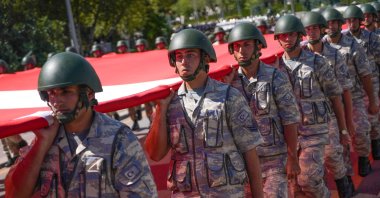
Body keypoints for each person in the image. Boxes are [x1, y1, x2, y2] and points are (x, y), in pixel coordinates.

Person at [5, 52, 158, 197]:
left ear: (89, 94)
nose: (57, 101)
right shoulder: (45, 139)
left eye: (65, 92)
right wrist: (41, 144)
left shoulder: (119, 139)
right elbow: (14, 194)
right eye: (51, 93)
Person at [145, 29, 264, 197]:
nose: (184, 61)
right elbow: (155, 155)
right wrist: (160, 112)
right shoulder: (168, 103)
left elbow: (249, 151)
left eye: (191, 55)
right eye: (179, 56)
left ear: (205, 58)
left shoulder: (229, 97)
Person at [225, 22, 301, 197]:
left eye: (246, 45)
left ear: (258, 47)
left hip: (274, 159)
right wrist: (225, 88)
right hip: (241, 162)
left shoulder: (276, 77)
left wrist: (292, 158)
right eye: (236, 46)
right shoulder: (228, 82)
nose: (241, 51)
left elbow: (289, 120)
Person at [275, 15, 343, 197]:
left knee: (308, 179)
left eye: (291, 35)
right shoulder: (274, 69)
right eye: (283, 36)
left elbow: (335, 95)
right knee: (294, 188)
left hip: (316, 131)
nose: (287, 39)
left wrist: (343, 129)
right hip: (289, 135)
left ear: (299, 36)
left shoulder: (317, 62)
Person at [322, 8, 378, 192]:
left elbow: (365, 74)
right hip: (331, 103)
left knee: (361, 130)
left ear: (339, 24)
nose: (330, 27)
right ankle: (346, 180)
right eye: (327, 24)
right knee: (339, 143)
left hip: (354, 96)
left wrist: (372, 99)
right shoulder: (319, 46)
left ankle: (363, 156)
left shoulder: (353, 45)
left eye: (334, 23)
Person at [301, 11, 354, 197]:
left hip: (329, 114)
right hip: (307, 120)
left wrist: (346, 126)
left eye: (315, 28)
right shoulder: (300, 55)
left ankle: (345, 187)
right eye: (308, 29)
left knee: (334, 155)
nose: (311, 32)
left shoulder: (335, 55)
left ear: (322, 29)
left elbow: (343, 91)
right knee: (315, 165)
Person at [343, 5, 380, 164]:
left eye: (354, 20)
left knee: (373, 117)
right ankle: (366, 152)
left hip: (372, 81)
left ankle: (376, 141)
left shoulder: (372, 38)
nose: (352, 23)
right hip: (353, 87)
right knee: (362, 123)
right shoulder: (344, 38)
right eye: (349, 20)